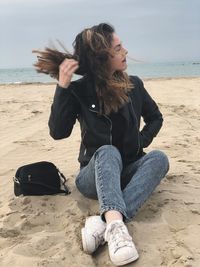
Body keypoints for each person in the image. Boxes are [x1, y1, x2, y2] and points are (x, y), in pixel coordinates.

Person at [33, 23, 169, 266]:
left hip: (128, 169)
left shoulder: (134, 85)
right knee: (107, 151)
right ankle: (117, 228)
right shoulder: (78, 90)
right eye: (118, 48)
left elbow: (155, 118)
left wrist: (141, 141)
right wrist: (62, 87)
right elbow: (58, 133)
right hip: (93, 176)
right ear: (102, 57)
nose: (125, 51)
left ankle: (105, 222)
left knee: (159, 159)